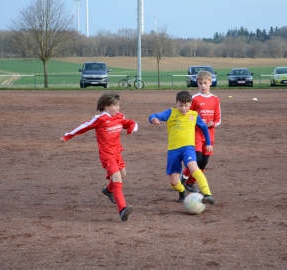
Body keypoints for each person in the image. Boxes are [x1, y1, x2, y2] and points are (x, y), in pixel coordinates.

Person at [60, 92, 138, 221]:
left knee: (123, 174)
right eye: (116, 105)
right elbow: (83, 127)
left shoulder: (119, 116)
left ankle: (108, 190)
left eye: (119, 105)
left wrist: (131, 127)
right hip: (107, 155)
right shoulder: (100, 119)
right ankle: (122, 209)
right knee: (118, 180)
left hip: (117, 153)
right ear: (106, 106)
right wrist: (67, 136)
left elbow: (129, 123)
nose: (119, 108)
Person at [149, 90, 216, 204]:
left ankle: (208, 194)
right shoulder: (171, 112)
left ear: (190, 104)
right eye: (181, 105)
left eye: (186, 105)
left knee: (194, 168)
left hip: (188, 148)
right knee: (174, 183)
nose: (184, 108)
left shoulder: (194, 115)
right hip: (173, 151)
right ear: (176, 103)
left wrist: (208, 143)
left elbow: (204, 128)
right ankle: (182, 190)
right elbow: (154, 115)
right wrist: (153, 119)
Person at [180, 70, 221, 194]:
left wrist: (213, 123)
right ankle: (184, 178)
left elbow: (218, 119)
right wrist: (197, 120)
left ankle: (190, 182)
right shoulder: (194, 99)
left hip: (210, 136)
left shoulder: (215, 99)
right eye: (200, 83)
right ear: (197, 84)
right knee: (196, 159)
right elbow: (186, 115)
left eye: (205, 83)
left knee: (204, 162)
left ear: (210, 83)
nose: (203, 85)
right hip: (196, 135)